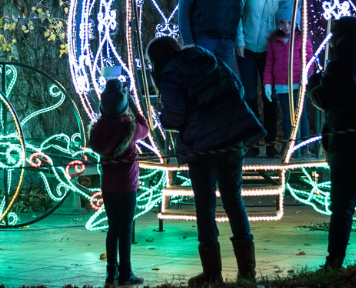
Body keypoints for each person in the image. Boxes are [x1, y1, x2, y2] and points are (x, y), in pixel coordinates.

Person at [147, 36, 264, 285]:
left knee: (205, 205)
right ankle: (247, 271)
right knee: (233, 199)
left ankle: (212, 272)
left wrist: (162, 114)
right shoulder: (208, 58)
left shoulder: (171, 72)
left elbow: (174, 118)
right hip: (233, 136)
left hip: (202, 144)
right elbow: (238, 88)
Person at [307, 16, 356, 269]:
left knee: (342, 207)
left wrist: (313, 85)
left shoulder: (341, 64)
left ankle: (334, 264)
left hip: (350, 144)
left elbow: (325, 97)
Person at [87, 79, 149, 286]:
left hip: (108, 186)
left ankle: (111, 272)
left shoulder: (99, 128)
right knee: (125, 229)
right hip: (127, 185)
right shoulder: (128, 126)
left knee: (113, 228)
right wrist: (134, 106)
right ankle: (126, 272)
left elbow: (93, 142)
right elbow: (145, 128)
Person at [236, 0, 295, 157]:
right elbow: (237, 13)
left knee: (271, 98)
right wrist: (240, 40)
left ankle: (271, 145)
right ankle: (251, 144)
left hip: (271, 54)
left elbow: (288, 27)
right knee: (250, 97)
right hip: (248, 50)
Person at [263, 0, 314, 158]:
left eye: (290, 22)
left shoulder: (301, 40)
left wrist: (306, 77)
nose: (286, 26)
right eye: (283, 23)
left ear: (296, 22)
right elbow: (269, 63)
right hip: (282, 86)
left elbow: (308, 60)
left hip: (298, 84)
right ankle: (288, 148)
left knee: (301, 115)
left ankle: (303, 147)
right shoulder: (274, 42)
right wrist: (267, 83)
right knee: (286, 117)